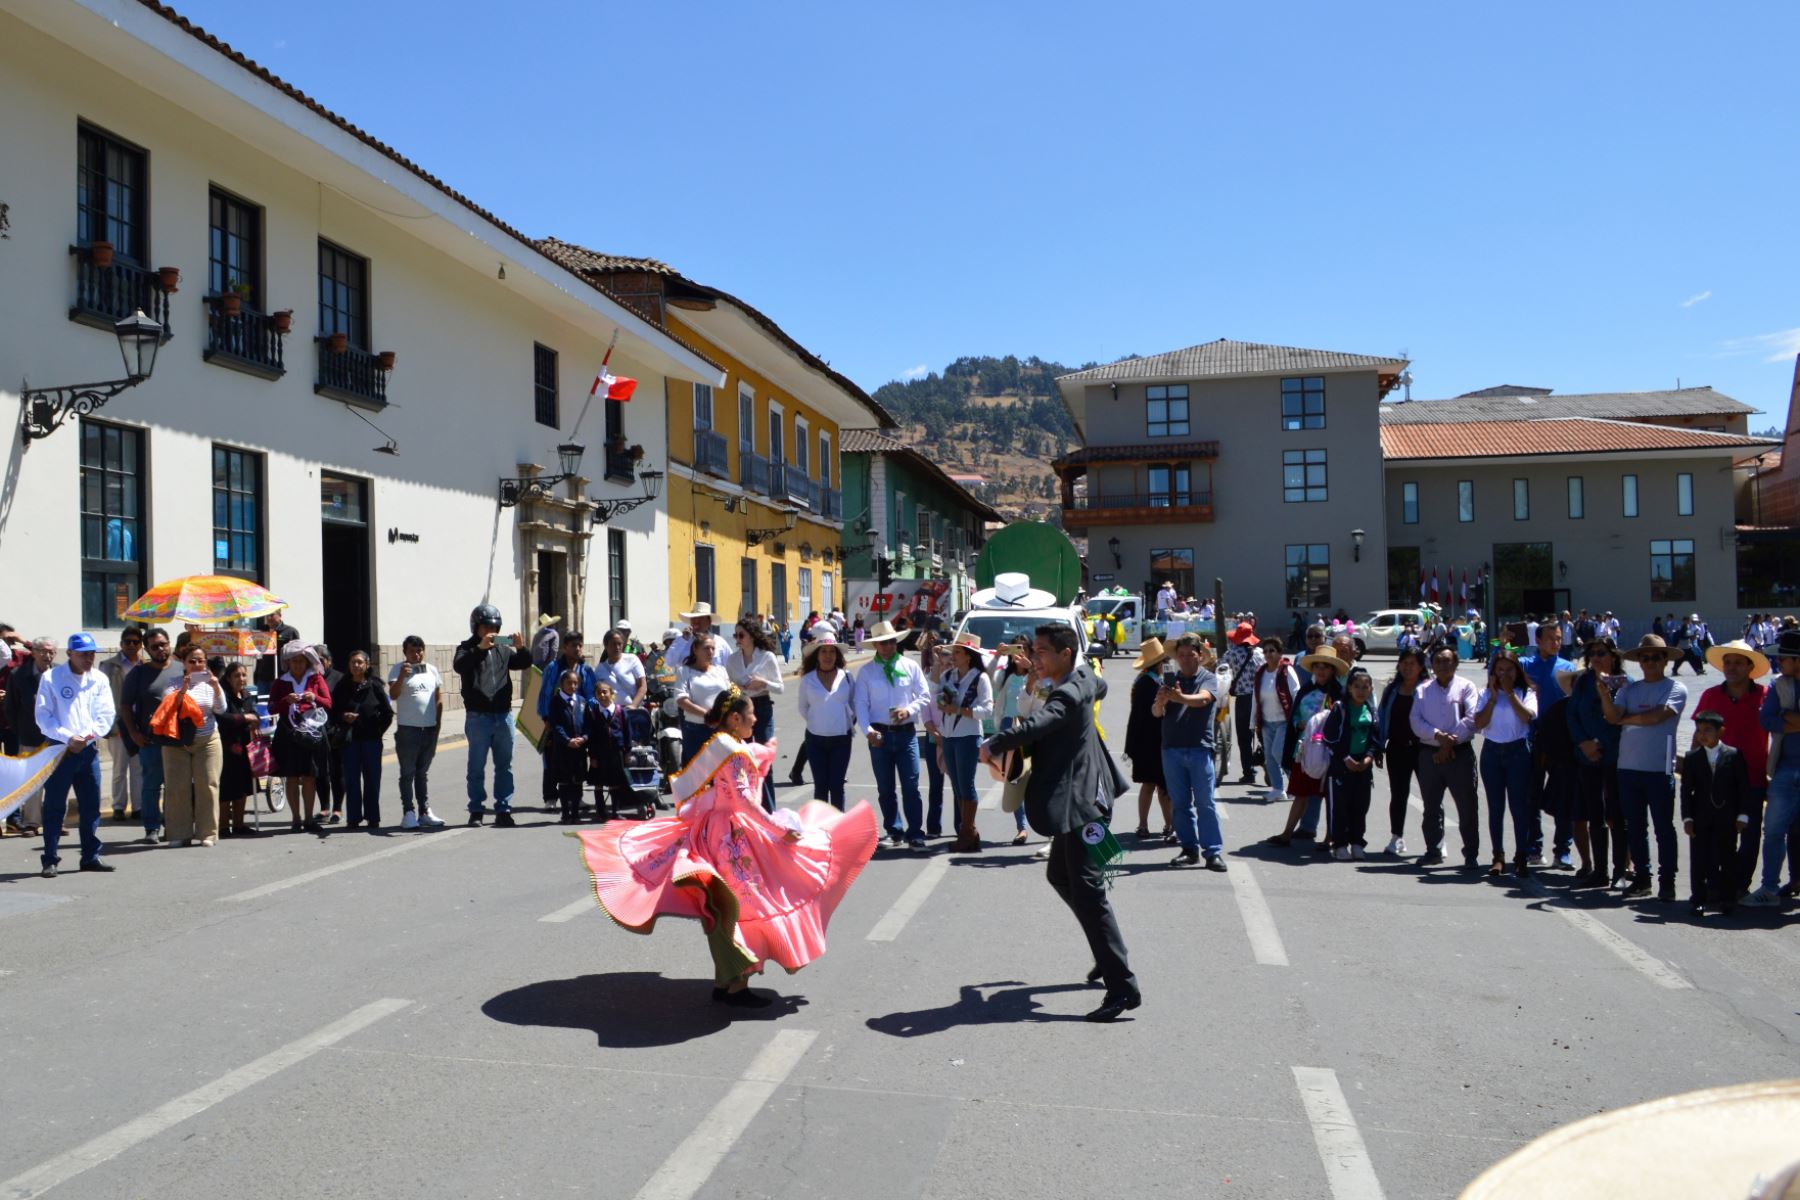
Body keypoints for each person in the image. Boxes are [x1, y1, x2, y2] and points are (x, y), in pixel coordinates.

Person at [568, 686, 879, 1009]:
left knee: (724, 906)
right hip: (731, 836)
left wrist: (765, 754)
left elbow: (712, 787)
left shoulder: (722, 744)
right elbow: (742, 800)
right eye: (750, 715)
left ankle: (725, 980)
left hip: (714, 831)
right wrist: (779, 828)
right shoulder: (732, 750)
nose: (755, 719)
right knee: (743, 905)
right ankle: (736, 986)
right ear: (734, 718)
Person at [982, 624, 1138, 1022]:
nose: (1035, 658)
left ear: (1066, 653)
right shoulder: (1085, 678)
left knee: (1089, 893)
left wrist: (996, 742)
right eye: (1033, 651)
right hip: (1075, 804)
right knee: (1062, 877)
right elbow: (1098, 689)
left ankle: (1123, 988)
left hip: (1089, 805)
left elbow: (1045, 721)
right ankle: (1109, 953)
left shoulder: (1069, 691)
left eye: (1043, 651)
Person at [1600, 635, 1689, 901]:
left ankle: (1667, 881)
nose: (1649, 662)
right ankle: (1642, 878)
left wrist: (1626, 719)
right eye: (1645, 657)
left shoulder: (1676, 687)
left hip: (1659, 768)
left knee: (1663, 828)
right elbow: (1612, 717)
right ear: (1639, 661)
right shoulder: (1629, 689)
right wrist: (1604, 695)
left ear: (1665, 660)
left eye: (1655, 657)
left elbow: (1658, 716)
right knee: (1635, 828)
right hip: (1628, 767)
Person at [32, 633, 117, 878]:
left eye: (91, 654)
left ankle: (90, 856)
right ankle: (50, 858)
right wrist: (68, 737)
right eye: (82, 654)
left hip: (88, 750)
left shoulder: (99, 679)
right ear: (69, 654)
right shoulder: (52, 678)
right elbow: (44, 716)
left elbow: (106, 714)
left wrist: (89, 736)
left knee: (91, 806)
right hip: (60, 750)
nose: (88, 658)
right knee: (55, 807)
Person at [1696, 639, 1771, 899]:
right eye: (1728, 662)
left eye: (1738, 663)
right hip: (1719, 777)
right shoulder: (1710, 696)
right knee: (1719, 834)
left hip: (1754, 776)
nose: (1731, 667)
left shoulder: (1765, 695)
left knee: (1750, 835)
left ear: (1750, 667)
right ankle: (1718, 881)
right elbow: (1698, 737)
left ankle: (1739, 884)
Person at [854, 620, 930, 849]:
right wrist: (868, 731)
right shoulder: (867, 672)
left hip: (906, 733)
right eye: (882, 643)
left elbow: (924, 695)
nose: (887, 646)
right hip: (880, 735)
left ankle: (915, 832)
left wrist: (909, 710)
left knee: (911, 785)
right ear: (875, 646)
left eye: (890, 642)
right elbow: (860, 705)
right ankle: (894, 830)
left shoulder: (909, 666)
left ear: (895, 642)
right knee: (885, 788)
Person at [455, 604, 531, 828]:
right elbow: (460, 666)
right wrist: (479, 648)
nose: (491, 631)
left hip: (503, 715)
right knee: (476, 767)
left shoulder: (503, 648)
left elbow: (524, 663)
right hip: (478, 717)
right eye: (486, 627)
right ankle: (476, 809)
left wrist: (521, 647)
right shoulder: (466, 648)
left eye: (494, 627)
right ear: (476, 627)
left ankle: (504, 809)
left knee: (504, 766)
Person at [1154, 632, 1225, 870]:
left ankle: (1212, 852)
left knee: (1205, 803)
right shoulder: (1169, 679)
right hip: (1171, 749)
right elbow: (1155, 713)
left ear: (1199, 656)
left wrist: (1178, 696)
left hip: (1199, 748)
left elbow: (1203, 700)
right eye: (1181, 655)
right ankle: (1189, 848)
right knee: (1181, 803)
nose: (1184, 659)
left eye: (1190, 655)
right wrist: (1162, 701)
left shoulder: (1208, 678)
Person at [1410, 646, 1482, 867]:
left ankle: (1471, 854)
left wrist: (1450, 742)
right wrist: (1437, 737)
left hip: (1459, 754)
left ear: (1456, 663)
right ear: (1432, 664)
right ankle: (1433, 850)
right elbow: (1416, 720)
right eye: (1438, 661)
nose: (1443, 665)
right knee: (1431, 806)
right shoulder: (1422, 690)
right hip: (1430, 755)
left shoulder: (1466, 687)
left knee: (1467, 807)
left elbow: (1472, 718)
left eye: (1447, 661)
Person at [1269, 645, 1347, 847]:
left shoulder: (1339, 695)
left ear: (1333, 670)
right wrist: (1299, 724)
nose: (1321, 671)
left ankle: (1330, 837)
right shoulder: (1305, 691)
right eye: (1317, 666)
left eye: (1326, 667)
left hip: (1328, 752)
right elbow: (1294, 717)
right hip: (1304, 751)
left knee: (1329, 795)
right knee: (1301, 793)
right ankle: (1286, 834)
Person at [1567, 638, 1629, 887]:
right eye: (1592, 654)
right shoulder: (1582, 682)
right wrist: (1584, 743)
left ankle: (1621, 871)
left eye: (1601, 653)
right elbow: (1572, 715)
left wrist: (1602, 745)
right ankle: (1600, 870)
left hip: (1615, 758)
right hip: (1587, 757)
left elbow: (1622, 717)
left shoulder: (1624, 683)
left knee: (1617, 815)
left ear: (1613, 656)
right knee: (1595, 815)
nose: (1596, 658)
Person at [1744, 630, 1800, 907]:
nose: (1779, 662)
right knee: (1774, 830)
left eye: (1783, 658)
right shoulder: (1780, 685)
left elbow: (1778, 718)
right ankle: (1769, 888)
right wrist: (1787, 720)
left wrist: (1789, 719)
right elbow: (1766, 719)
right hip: (1786, 768)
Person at [1517, 622, 1578, 867]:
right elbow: (1497, 669)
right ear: (1538, 640)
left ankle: (1562, 850)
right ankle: (1534, 847)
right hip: (1532, 740)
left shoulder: (1568, 668)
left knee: (1565, 796)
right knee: (1532, 796)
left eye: (1559, 638)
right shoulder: (1525, 665)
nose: (1556, 643)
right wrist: (1502, 643)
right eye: (1551, 638)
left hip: (1561, 742)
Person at [1474, 649, 1537, 878]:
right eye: (1499, 670)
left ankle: (1521, 855)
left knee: (1519, 807)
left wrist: (1510, 694)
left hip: (1518, 751)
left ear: (1516, 671)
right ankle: (1497, 855)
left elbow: (1527, 717)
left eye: (1508, 669)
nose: (1504, 674)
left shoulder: (1525, 691)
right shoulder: (1485, 694)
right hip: (1492, 752)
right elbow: (1479, 723)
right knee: (1495, 807)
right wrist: (1492, 698)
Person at [1681, 710, 1751, 915]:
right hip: (1701, 817)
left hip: (1727, 817)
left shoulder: (1734, 755)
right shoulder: (1693, 757)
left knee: (1727, 857)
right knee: (1699, 858)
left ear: (1721, 731)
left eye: (1708, 730)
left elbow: (1743, 788)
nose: (1702, 735)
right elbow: (1686, 790)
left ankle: (1727, 898)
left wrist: (1742, 815)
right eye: (1699, 730)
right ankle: (1698, 899)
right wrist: (1687, 818)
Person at [159, 643, 227, 847]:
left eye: (201, 661)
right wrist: (184, 689)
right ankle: (179, 833)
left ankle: (208, 833)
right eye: (192, 661)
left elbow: (221, 709)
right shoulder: (173, 683)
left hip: (206, 739)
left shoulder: (210, 683)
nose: (197, 665)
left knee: (208, 785)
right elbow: (170, 707)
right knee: (177, 787)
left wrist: (215, 686)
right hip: (177, 741)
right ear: (184, 663)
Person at [119, 628, 180, 843]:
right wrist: (133, 733)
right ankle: (152, 827)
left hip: (178, 740)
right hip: (151, 740)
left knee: (176, 785)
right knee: (152, 786)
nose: (160, 649)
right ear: (147, 649)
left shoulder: (182, 669)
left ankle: (173, 825)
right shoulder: (138, 674)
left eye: (164, 644)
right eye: (155, 646)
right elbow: (125, 707)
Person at [936, 634, 994, 852]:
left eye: (958, 652)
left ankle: (967, 832)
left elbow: (987, 710)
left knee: (966, 785)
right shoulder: (948, 675)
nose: (954, 655)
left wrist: (959, 710)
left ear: (969, 656)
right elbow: (936, 692)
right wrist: (942, 703)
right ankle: (969, 831)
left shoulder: (981, 678)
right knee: (957, 786)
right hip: (949, 735)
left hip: (968, 736)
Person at [270, 643, 333, 832]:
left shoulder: (315, 678)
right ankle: (295, 819)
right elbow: (271, 708)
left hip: (310, 732)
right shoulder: (281, 681)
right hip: (289, 733)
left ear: (307, 662)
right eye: (294, 661)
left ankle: (308, 818)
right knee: (291, 777)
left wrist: (313, 698)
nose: (297, 665)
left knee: (309, 776)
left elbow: (328, 703)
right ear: (288, 663)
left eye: (301, 661)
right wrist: (285, 701)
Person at [1323, 666, 1384, 860]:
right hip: (1341, 766)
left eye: (1365, 687)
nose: (1361, 690)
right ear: (1349, 688)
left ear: (1371, 689)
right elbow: (1329, 736)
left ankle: (1357, 843)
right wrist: (1345, 758)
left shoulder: (1371, 710)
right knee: (1339, 808)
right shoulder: (1340, 708)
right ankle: (1339, 844)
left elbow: (1375, 739)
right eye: (1357, 686)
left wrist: (1368, 758)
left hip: (1363, 767)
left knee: (1360, 807)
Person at [388, 636, 446, 830]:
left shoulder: (432, 670)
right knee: (407, 773)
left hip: (428, 729)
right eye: (412, 650)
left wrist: (437, 726)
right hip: (408, 730)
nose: (417, 654)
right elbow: (393, 695)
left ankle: (424, 811)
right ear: (405, 652)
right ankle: (408, 812)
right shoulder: (398, 669)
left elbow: (438, 700)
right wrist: (403, 676)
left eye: (420, 650)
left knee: (422, 773)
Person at [728, 620, 785, 813]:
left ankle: (769, 812)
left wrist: (763, 683)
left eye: (741, 635)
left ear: (751, 636)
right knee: (742, 760)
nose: (738, 639)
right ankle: (747, 810)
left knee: (763, 760)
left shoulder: (767, 657)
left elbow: (780, 688)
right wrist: (738, 688)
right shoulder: (732, 660)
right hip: (741, 708)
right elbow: (729, 686)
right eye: (735, 635)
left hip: (761, 706)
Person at [332, 650, 393, 830]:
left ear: (367, 665)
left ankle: (373, 817)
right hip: (350, 740)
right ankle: (353, 818)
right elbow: (333, 712)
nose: (356, 666)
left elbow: (387, 713)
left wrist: (378, 731)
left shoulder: (375, 686)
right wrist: (344, 716)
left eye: (360, 662)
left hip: (371, 740)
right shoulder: (342, 686)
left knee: (372, 779)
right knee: (352, 779)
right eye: (353, 662)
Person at [797, 630, 857, 811]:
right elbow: (803, 708)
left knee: (837, 786)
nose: (828, 656)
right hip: (815, 740)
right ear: (817, 655)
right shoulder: (807, 680)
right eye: (823, 651)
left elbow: (854, 706)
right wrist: (819, 721)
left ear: (837, 655)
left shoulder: (846, 677)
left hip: (841, 739)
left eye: (832, 651)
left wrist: (840, 722)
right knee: (821, 788)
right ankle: (821, 830)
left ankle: (839, 830)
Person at [538, 633, 596, 813]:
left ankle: (577, 798)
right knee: (552, 760)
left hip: (578, 722)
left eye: (580, 645)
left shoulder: (586, 670)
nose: (577, 649)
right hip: (555, 722)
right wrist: (547, 719)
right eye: (573, 645)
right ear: (564, 647)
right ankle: (550, 797)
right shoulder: (553, 668)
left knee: (576, 761)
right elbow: (545, 695)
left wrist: (591, 718)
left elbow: (591, 696)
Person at [1378, 647, 1427, 856]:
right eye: (1404, 663)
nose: (1407, 667)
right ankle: (1396, 837)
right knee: (1398, 794)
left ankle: (1436, 841)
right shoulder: (1392, 690)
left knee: (1431, 796)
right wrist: (1379, 746)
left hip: (1424, 749)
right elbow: (1381, 718)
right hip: (1397, 748)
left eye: (1412, 664)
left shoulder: (1428, 689)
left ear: (1421, 667)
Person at [1124, 637, 1173, 839]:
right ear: (1159, 663)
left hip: (1144, 741)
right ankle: (1167, 825)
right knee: (1160, 786)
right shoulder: (1149, 683)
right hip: (1152, 741)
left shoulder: (1144, 680)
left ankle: (1148, 825)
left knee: (1151, 785)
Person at [5, 637, 54, 835]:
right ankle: (32, 822)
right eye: (42, 651)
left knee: (57, 780)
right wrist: (21, 730)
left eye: (51, 651)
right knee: (32, 782)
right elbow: (11, 708)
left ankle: (55, 821)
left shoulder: (60, 673)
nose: (47, 655)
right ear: (33, 653)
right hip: (29, 736)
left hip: (56, 737)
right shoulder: (18, 675)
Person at [98, 627, 143, 822]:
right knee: (118, 768)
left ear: (141, 645)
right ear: (121, 644)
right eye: (128, 642)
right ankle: (118, 806)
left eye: (136, 642)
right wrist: (106, 726)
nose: (132, 645)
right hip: (117, 725)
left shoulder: (144, 667)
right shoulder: (108, 666)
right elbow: (100, 698)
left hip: (139, 725)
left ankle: (138, 807)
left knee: (138, 768)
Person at [216, 661, 263, 838]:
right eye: (237, 675)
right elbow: (222, 717)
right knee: (227, 789)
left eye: (243, 675)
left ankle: (239, 824)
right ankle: (222, 826)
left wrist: (255, 719)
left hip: (245, 746)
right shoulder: (223, 696)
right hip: (227, 746)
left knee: (243, 787)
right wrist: (245, 718)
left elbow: (254, 713)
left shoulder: (247, 695)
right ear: (228, 678)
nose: (241, 679)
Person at [672, 631, 732, 769]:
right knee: (697, 776)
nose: (710, 652)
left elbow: (730, 695)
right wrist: (707, 715)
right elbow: (681, 699)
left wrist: (721, 717)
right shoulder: (684, 671)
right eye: (706, 648)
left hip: (720, 729)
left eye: (712, 648)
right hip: (695, 730)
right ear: (695, 649)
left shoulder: (721, 670)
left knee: (720, 773)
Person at [1250, 636, 1297, 806]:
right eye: (1266, 651)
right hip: (1266, 722)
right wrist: (1253, 721)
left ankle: (1295, 784)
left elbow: (1296, 693)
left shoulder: (1286, 670)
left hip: (1285, 720)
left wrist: (1298, 718)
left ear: (1279, 653)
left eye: (1272, 651)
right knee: (1269, 758)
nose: (1268, 654)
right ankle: (1278, 789)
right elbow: (1256, 699)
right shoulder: (1261, 672)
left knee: (1279, 753)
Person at [546, 665, 593, 825]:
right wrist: (567, 740)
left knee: (577, 780)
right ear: (561, 684)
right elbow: (556, 724)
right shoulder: (556, 701)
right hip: (562, 748)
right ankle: (565, 813)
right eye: (569, 683)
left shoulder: (581, 701)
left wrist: (584, 737)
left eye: (575, 683)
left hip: (579, 748)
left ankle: (575, 813)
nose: (572, 686)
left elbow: (587, 723)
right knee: (565, 782)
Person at [916, 631, 951, 838]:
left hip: (956, 738)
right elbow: (927, 708)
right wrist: (934, 732)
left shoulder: (959, 680)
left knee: (959, 786)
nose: (946, 665)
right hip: (934, 738)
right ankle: (933, 827)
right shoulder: (931, 679)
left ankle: (961, 826)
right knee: (935, 785)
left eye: (949, 661)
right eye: (942, 660)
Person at [1221, 622, 1264, 787]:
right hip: (1260, 699)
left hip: (1244, 700)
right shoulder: (1260, 654)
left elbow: (1220, 671)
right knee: (1262, 734)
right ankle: (1264, 759)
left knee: (1244, 738)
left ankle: (1249, 772)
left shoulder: (1231, 654)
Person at [317, 648, 348, 824]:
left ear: (329, 661)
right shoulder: (311, 677)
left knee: (337, 770)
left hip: (335, 729)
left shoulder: (339, 678)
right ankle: (324, 807)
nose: (319, 664)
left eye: (321, 660)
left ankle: (337, 808)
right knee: (320, 771)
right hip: (316, 730)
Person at [667, 603, 732, 677]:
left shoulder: (720, 642)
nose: (696, 621)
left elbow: (732, 666)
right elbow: (669, 662)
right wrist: (683, 640)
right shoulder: (682, 641)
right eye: (693, 618)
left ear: (709, 622)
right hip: (687, 686)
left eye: (701, 618)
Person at [594, 629, 647, 709]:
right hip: (613, 713)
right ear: (606, 645)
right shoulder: (600, 668)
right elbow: (597, 692)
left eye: (620, 644)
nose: (617, 647)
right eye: (614, 644)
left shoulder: (632, 659)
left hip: (633, 710)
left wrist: (633, 705)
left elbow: (643, 686)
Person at [253, 608, 300, 690]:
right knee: (263, 702)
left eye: (271, 615)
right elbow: (259, 654)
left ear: (280, 615)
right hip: (263, 677)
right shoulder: (262, 632)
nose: (268, 618)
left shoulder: (290, 632)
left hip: (282, 676)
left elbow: (297, 655)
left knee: (280, 702)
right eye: (267, 615)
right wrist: (256, 674)